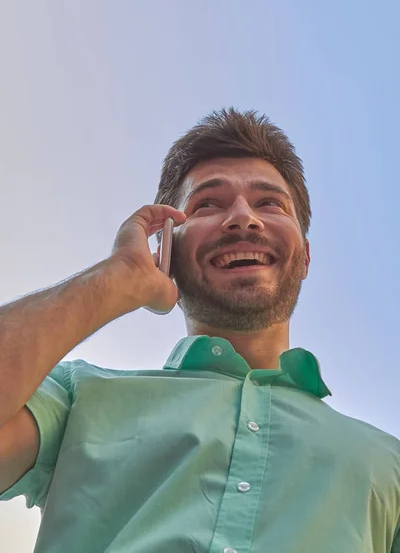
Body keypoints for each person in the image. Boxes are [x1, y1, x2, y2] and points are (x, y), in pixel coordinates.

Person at [0, 108, 399, 553]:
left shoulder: (390, 465)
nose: (244, 218)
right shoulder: (77, 398)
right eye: (208, 204)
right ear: (167, 248)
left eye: (270, 203)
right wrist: (116, 279)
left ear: (304, 257)